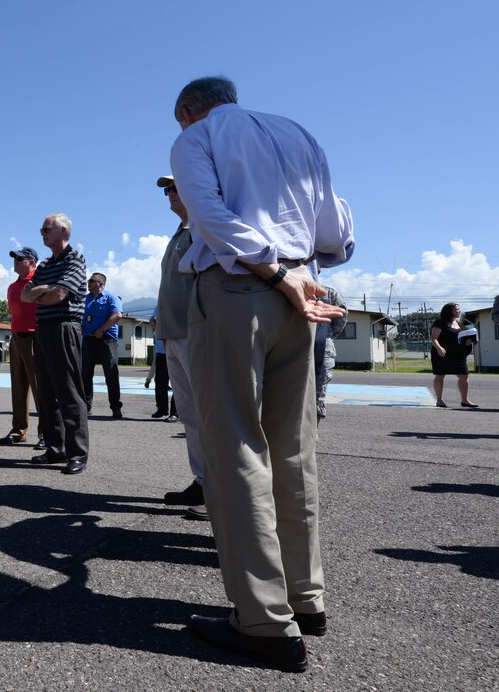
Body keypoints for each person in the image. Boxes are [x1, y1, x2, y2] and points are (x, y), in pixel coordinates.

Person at [169, 77, 354, 671]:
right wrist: (294, 269)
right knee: (293, 449)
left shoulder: (198, 137)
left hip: (238, 289)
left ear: (188, 111)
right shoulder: (298, 133)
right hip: (302, 297)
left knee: (235, 445)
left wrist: (272, 270)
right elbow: (337, 235)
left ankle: (263, 621)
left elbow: (212, 217)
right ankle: (307, 597)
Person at [153, 176, 206, 519]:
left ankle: (220, 490)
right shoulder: (179, 232)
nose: (169, 194)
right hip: (172, 335)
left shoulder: (201, 228)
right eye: (167, 190)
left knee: (206, 414)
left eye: (173, 187)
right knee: (188, 414)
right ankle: (203, 483)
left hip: (195, 334)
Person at [23, 213, 89, 475]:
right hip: (43, 329)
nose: (42, 232)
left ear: (63, 231)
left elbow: (59, 295)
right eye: (41, 229)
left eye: (47, 228)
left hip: (64, 327)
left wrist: (43, 291)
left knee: (69, 392)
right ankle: (56, 447)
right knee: (46, 392)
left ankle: (77, 452)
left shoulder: (76, 259)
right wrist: (44, 289)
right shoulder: (46, 264)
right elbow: (27, 295)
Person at [0, 247, 44, 448]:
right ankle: (18, 430)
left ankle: (46, 433)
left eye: (19, 259)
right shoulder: (12, 287)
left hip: (36, 337)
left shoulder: (39, 282)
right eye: (14, 258)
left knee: (41, 389)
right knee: (18, 388)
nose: (15, 261)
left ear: (32, 261)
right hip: (16, 337)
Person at [81, 273, 124, 418]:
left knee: (111, 374)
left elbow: (117, 315)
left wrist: (102, 330)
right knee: (85, 374)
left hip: (106, 340)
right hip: (88, 340)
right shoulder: (85, 299)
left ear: (100, 284)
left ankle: (115, 408)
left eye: (91, 281)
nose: (88, 283)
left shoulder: (111, 297)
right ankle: (86, 407)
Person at [431, 302, 477, 407]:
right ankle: (439, 400)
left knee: (464, 376)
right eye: (457, 309)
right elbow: (434, 338)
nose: (459, 311)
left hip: (458, 354)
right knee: (440, 375)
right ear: (449, 311)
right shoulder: (440, 322)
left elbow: (460, 338)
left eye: (459, 309)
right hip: (441, 353)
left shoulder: (459, 323)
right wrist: (439, 348)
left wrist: (467, 342)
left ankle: (465, 400)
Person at [314, 283, 348, 423]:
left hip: (323, 348)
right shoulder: (290, 286)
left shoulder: (330, 293)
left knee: (319, 390)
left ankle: (314, 427)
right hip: (294, 348)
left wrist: (328, 336)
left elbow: (342, 317)